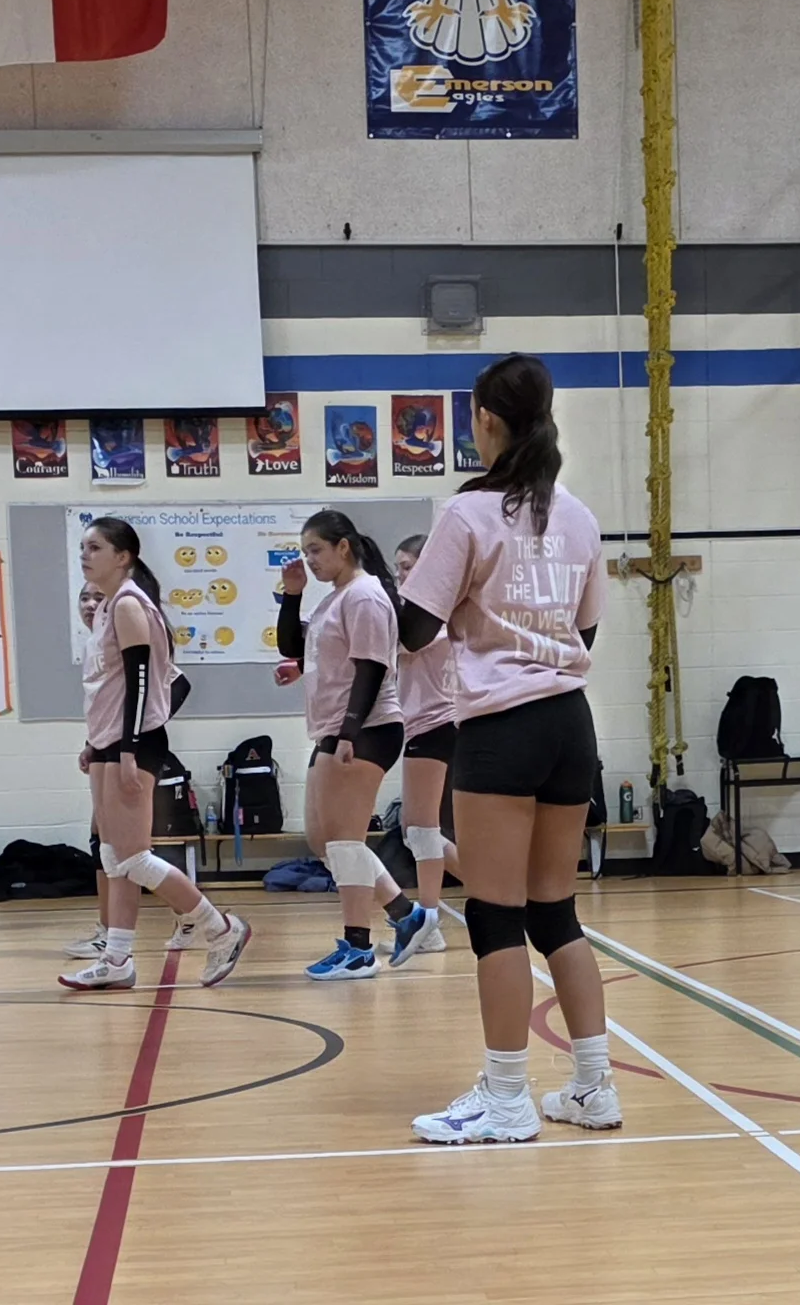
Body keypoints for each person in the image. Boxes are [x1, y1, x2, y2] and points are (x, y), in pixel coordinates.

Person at [396, 354, 614, 1143]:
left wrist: (454, 604)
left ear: (485, 420)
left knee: (495, 914)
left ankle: (507, 1097)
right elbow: (586, 629)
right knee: (556, 911)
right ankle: (594, 1087)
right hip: (570, 722)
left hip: (501, 727)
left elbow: (414, 628)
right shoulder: (579, 517)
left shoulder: (467, 514)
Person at [59, 517, 249, 992]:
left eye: (95, 547)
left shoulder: (128, 604)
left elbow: (141, 681)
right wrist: (96, 743)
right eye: (83, 547)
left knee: (134, 857)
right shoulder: (108, 607)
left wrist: (127, 748)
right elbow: (109, 689)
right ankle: (117, 960)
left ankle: (220, 929)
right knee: (112, 856)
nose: (85, 555)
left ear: (123, 557)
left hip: (136, 742)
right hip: (109, 742)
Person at [274, 510, 415, 981]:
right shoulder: (335, 598)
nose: (310, 559)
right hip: (334, 728)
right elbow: (292, 644)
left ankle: (358, 948)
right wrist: (292, 594)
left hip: (367, 728)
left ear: (343, 547)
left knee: (344, 843)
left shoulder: (365, 595)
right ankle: (405, 913)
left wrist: (351, 732)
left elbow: (372, 668)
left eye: (316, 549)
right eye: (305, 551)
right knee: (323, 841)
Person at [387, 532, 458, 965]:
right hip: (423, 724)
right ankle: (499, 893)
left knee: (422, 830)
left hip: (437, 723)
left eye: (408, 567)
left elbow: (393, 642)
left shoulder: (433, 618)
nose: (401, 576)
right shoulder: (419, 614)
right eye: (397, 567)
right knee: (420, 830)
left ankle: (429, 924)